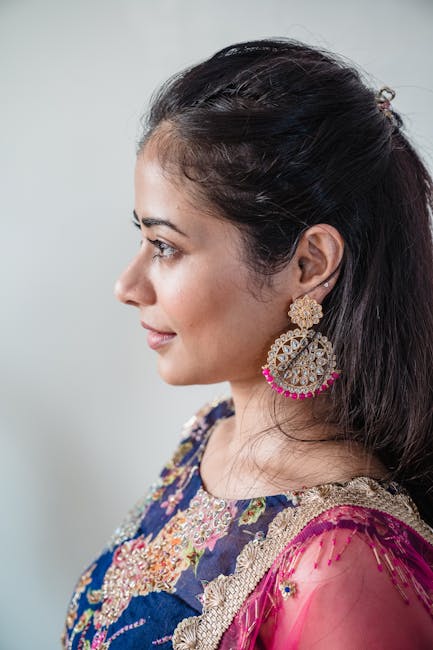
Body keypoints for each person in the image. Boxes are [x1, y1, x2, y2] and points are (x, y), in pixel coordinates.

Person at [62, 38, 433, 649]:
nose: (127, 286)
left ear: (310, 262)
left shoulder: (344, 563)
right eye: (144, 239)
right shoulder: (211, 435)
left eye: (165, 247)